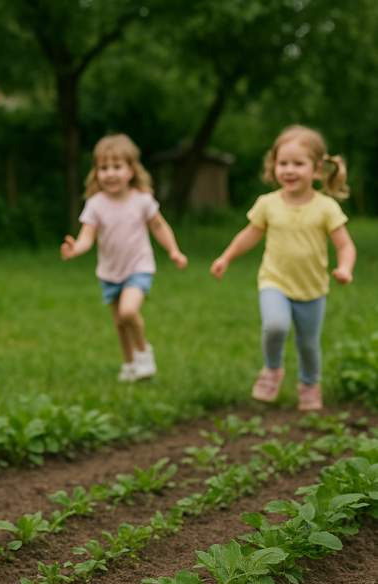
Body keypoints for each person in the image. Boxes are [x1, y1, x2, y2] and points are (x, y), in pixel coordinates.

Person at [210, 125, 357, 411]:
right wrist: (226, 257)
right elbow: (249, 234)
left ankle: (309, 384)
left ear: (316, 170)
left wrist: (346, 268)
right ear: (273, 166)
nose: (289, 170)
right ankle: (272, 370)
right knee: (275, 326)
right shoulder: (268, 204)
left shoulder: (325, 208)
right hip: (274, 281)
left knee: (308, 345)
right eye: (283, 163)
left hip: (313, 289)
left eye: (298, 164)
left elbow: (345, 245)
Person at [60, 134, 187, 382]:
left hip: (139, 267)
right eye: (103, 168)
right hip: (109, 272)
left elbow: (159, 226)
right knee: (119, 323)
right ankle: (129, 365)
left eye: (117, 167)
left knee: (129, 312)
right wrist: (76, 249)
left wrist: (173, 250)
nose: (110, 173)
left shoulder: (142, 200)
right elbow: (87, 236)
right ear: (96, 173)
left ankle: (143, 353)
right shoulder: (96, 204)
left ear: (131, 170)